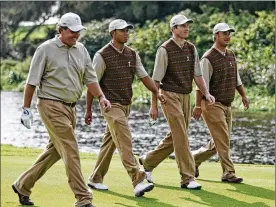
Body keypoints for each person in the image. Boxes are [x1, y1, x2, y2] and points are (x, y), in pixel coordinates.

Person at [12, 12, 111, 207]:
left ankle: (22, 185)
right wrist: (26, 109)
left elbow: (90, 79)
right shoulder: (45, 49)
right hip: (50, 105)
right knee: (70, 147)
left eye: (78, 32)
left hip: (70, 108)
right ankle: (83, 198)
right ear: (61, 30)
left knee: (56, 150)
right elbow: (32, 82)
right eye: (72, 32)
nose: (76, 35)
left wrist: (101, 97)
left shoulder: (81, 50)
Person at [85, 19, 166, 197]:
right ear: (113, 33)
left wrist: (157, 92)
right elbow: (92, 83)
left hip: (126, 105)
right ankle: (137, 178)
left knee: (111, 142)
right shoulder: (102, 55)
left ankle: (95, 178)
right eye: (123, 31)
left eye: (128, 30)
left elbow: (144, 77)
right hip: (110, 105)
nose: (127, 33)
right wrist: (89, 109)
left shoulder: (132, 54)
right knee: (125, 138)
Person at [138, 14, 215, 190]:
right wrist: (154, 104)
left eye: (187, 25)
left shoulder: (191, 48)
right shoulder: (164, 49)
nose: (186, 28)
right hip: (168, 95)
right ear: (173, 29)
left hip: (186, 95)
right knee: (181, 134)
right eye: (182, 26)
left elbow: (198, 75)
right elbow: (155, 81)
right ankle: (187, 178)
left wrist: (206, 93)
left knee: (177, 135)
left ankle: (148, 161)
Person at [192, 23, 249, 183]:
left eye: (229, 33)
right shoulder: (208, 58)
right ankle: (228, 173)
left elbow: (236, 79)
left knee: (220, 141)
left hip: (227, 104)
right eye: (224, 33)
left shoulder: (230, 55)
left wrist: (243, 95)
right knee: (223, 139)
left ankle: (193, 159)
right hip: (211, 104)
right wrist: (197, 105)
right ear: (216, 35)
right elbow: (200, 85)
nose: (227, 36)